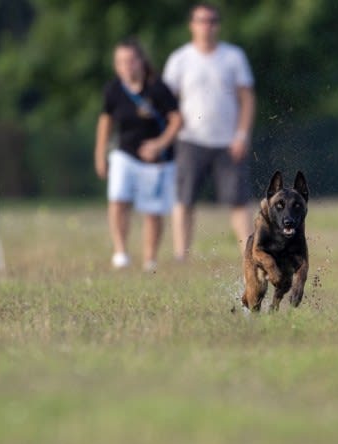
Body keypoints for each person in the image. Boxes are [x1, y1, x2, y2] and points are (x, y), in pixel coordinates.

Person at [162, 2, 256, 261]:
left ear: (218, 25)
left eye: (212, 21)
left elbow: (246, 99)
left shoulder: (233, 57)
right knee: (184, 199)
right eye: (201, 21)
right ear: (192, 25)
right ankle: (182, 256)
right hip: (190, 139)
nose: (207, 26)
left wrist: (241, 135)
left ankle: (248, 255)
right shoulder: (179, 59)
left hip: (228, 141)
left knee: (238, 201)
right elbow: (167, 100)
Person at [94, 38, 182, 271]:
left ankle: (149, 260)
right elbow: (106, 122)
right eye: (121, 62)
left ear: (141, 62)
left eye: (131, 60)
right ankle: (121, 252)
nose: (126, 66)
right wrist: (100, 154)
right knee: (117, 200)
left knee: (153, 211)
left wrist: (159, 144)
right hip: (124, 154)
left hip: (157, 161)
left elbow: (176, 120)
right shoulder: (113, 90)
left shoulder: (158, 88)